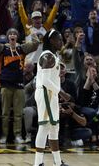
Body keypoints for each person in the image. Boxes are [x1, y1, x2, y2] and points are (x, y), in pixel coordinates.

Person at [33, 29, 67, 166]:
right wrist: (62, 92)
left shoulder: (53, 56)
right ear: (51, 41)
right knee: (44, 127)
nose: (61, 42)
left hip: (51, 94)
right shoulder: (47, 57)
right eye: (59, 39)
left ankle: (58, 162)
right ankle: (38, 163)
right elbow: (45, 81)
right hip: (46, 93)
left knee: (54, 128)